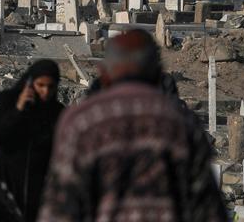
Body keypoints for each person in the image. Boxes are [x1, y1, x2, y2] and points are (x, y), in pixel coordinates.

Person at [38, 30, 225, 222]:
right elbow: (208, 210)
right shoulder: (182, 122)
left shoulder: (80, 123)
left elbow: (59, 208)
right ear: (157, 71)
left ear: (104, 72)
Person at [0, 58, 64, 217]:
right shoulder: (8, 101)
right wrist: (18, 110)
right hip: (7, 190)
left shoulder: (57, 112)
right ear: (30, 83)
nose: (45, 92)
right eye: (40, 85)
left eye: (50, 86)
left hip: (42, 196)